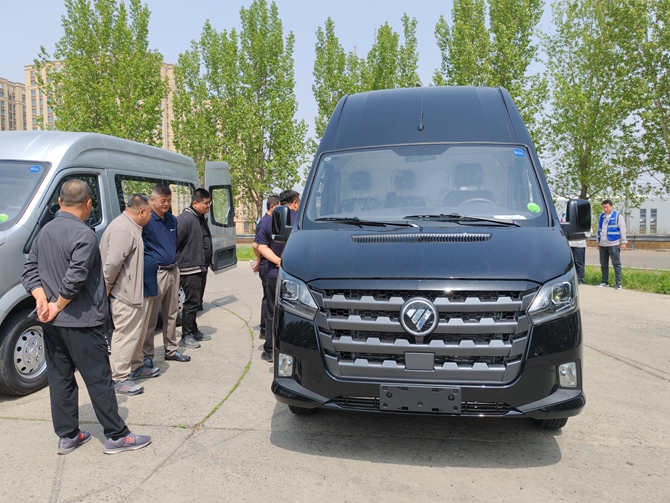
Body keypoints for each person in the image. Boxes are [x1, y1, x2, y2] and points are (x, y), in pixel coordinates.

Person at [21, 179, 151, 455]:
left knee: (60, 378)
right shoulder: (84, 234)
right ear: (89, 203)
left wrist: (42, 300)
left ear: (60, 201)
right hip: (80, 320)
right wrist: (57, 305)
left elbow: (29, 270)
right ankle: (117, 435)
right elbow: (76, 278)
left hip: (52, 323)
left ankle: (68, 435)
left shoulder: (45, 231)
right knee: (99, 378)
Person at [100, 194, 159, 395]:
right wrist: (107, 285)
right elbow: (113, 262)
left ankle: (137, 366)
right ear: (141, 211)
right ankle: (119, 378)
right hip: (124, 293)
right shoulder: (123, 229)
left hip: (136, 291)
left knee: (136, 333)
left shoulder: (131, 226)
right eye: (149, 212)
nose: (151, 216)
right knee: (125, 335)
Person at [141, 184, 191, 367]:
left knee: (171, 313)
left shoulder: (172, 220)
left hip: (173, 270)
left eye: (169, 201)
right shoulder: (146, 220)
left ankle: (171, 349)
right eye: (163, 201)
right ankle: (147, 355)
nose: (166, 204)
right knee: (151, 316)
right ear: (152, 200)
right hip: (157, 272)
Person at [257, 190, 300, 363]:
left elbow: (260, 246)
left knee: (271, 312)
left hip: (274, 273)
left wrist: (277, 260)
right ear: (295, 203)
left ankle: (270, 350)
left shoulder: (268, 220)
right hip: (296, 276)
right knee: (296, 312)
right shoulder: (300, 220)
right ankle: (293, 350)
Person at [176, 188, 213, 348]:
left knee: (196, 302)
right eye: (206, 203)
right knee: (191, 303)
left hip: (200, 266)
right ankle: (186, 336)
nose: (208, 206)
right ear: (195, 203)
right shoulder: (185, 219)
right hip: (189, 268)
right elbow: (175, 243)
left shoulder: (199, 217)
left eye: (209, 203)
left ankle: (194, 330)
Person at [252, 195, 280, 340]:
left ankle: (265, 328)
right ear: (272, 207)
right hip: (266, 262)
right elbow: (256, 245)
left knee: (267, 297)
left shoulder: (268, 220)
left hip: (266, 261)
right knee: (268, 298)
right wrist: (259, 259)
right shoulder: (266, 221)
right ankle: (264, 328)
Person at [596, 199, 627, 290]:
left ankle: (618, 283)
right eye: (603, 207)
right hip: (603, 244)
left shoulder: (618, 216)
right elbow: (599, 229)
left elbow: (622, 229)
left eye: (607, 207)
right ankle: (604, 281)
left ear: (611, 206)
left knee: (616, 263)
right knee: (603, 264)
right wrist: (598, 241)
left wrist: (623, 242)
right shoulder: (601, 216)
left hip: (614, 243)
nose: (605, 209)